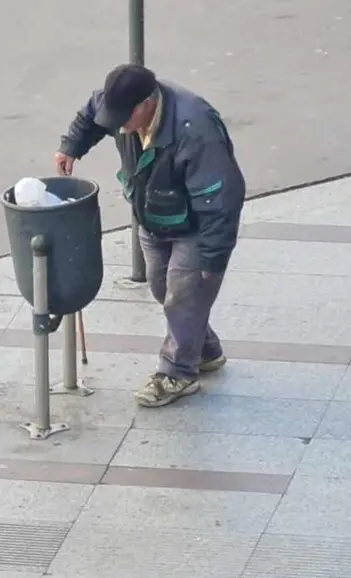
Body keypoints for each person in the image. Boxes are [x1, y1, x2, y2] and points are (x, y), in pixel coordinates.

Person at [55, 63, 246, 408]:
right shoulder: (116, 104)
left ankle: (177, 373)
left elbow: (220, 197)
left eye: (123, 119)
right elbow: (91, 114)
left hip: (194, 227)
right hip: (153, 215)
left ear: (146, 104)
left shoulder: (196, 128)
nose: (118, 127)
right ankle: (204, 350)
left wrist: (212, 258)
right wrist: (72, 146)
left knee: (183, 297)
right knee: (162, 287)